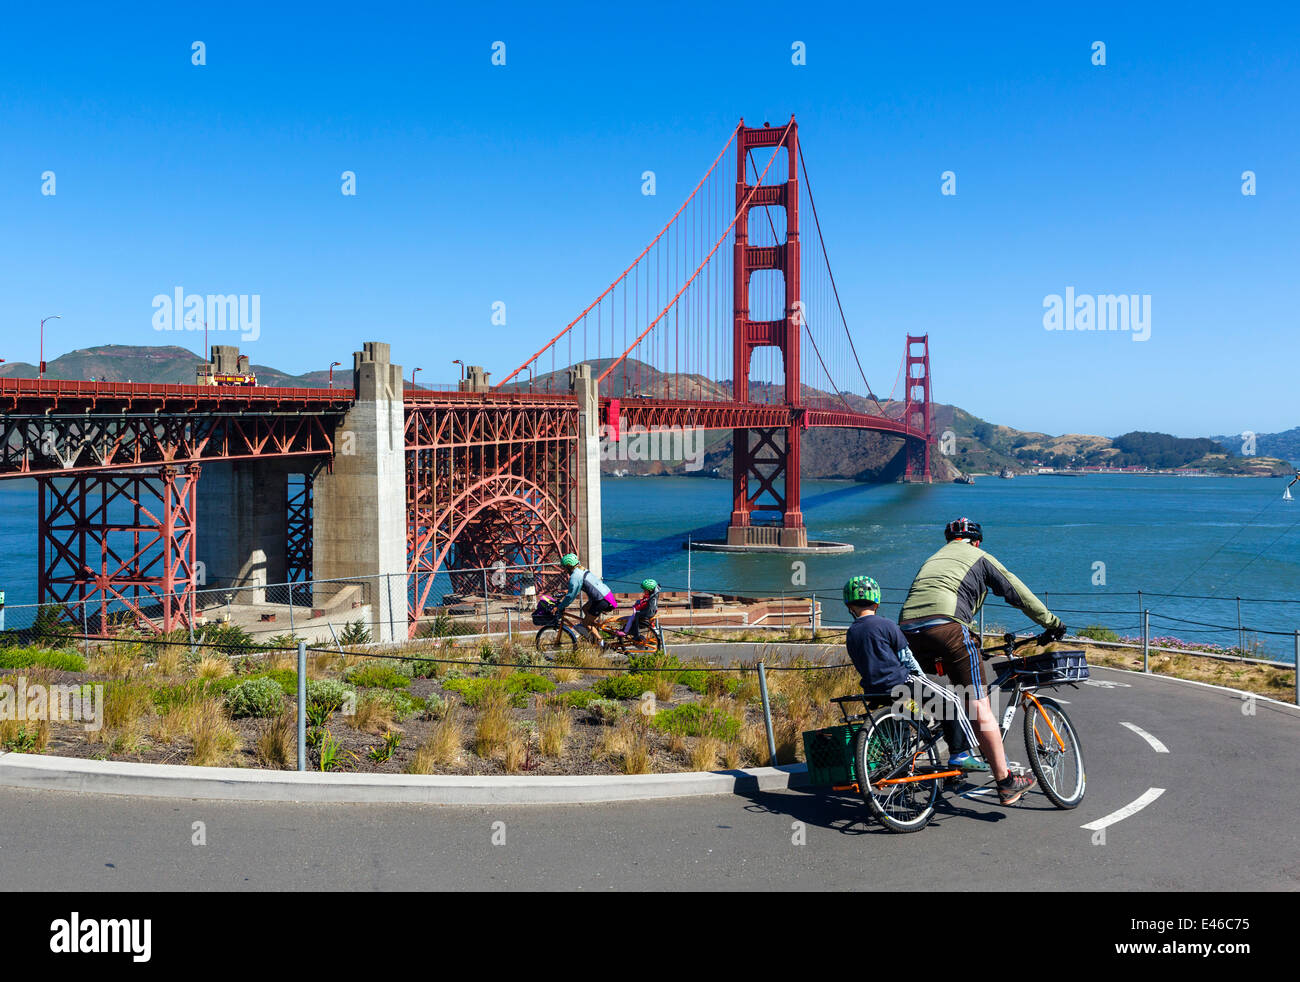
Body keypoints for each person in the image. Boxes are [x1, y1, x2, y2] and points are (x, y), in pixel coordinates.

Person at [898, 517, 1065, 806]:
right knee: (979, 705)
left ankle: (954, 756)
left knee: (944, 694)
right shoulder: (980, 557)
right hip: (948, 628)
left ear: (950, 540)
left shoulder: (933, 560)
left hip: (906, 630)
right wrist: (1052, 623)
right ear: (976, 541)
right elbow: (1017, 592)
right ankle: (1006, 782)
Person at [842, 576, 923, 694]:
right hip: (900, 683)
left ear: (850, 607)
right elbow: (906, 658)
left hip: (872, 690)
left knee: (913, 709)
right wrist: (922, 678)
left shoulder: (851, 632)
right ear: (876, 604)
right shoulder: (887, 625)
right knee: (951, 700)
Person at [555, 553, 619, 639]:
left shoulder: (575, 576)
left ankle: (601, 643)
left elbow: (571, 596)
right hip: (605, 595)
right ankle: (595, 628)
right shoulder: (581, 569)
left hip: (601, 600)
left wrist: (561, 606)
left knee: (586, 623)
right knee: (585, 609)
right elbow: (581, 586)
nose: (565, 570)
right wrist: (567, 591)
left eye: (565, 568)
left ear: (569, 566)